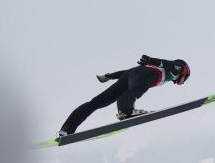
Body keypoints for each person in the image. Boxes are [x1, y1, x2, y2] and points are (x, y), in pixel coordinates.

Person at [57, 54, 190, 139]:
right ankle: (126, 111)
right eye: (185, 79)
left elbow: (128, 72)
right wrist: (152, 60)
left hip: (130, 75)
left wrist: (109, 76)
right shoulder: (178, 67)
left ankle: (66, 130)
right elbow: (166, 63)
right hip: (145, 74)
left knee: (95, 103)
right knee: (136, 90)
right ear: (185, 72)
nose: (182, 82)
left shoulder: (168, 73)